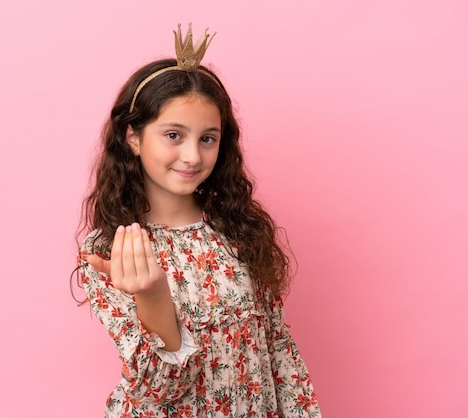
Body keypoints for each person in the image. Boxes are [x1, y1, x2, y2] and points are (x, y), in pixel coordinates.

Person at [74, 23, 321, 417]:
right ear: (133, 137)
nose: (192, 156)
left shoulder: (240, 231)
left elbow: (278, 352)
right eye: (174, 135)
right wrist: (153, 295)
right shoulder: (109, 251)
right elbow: (157, 390)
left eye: (207, 138)